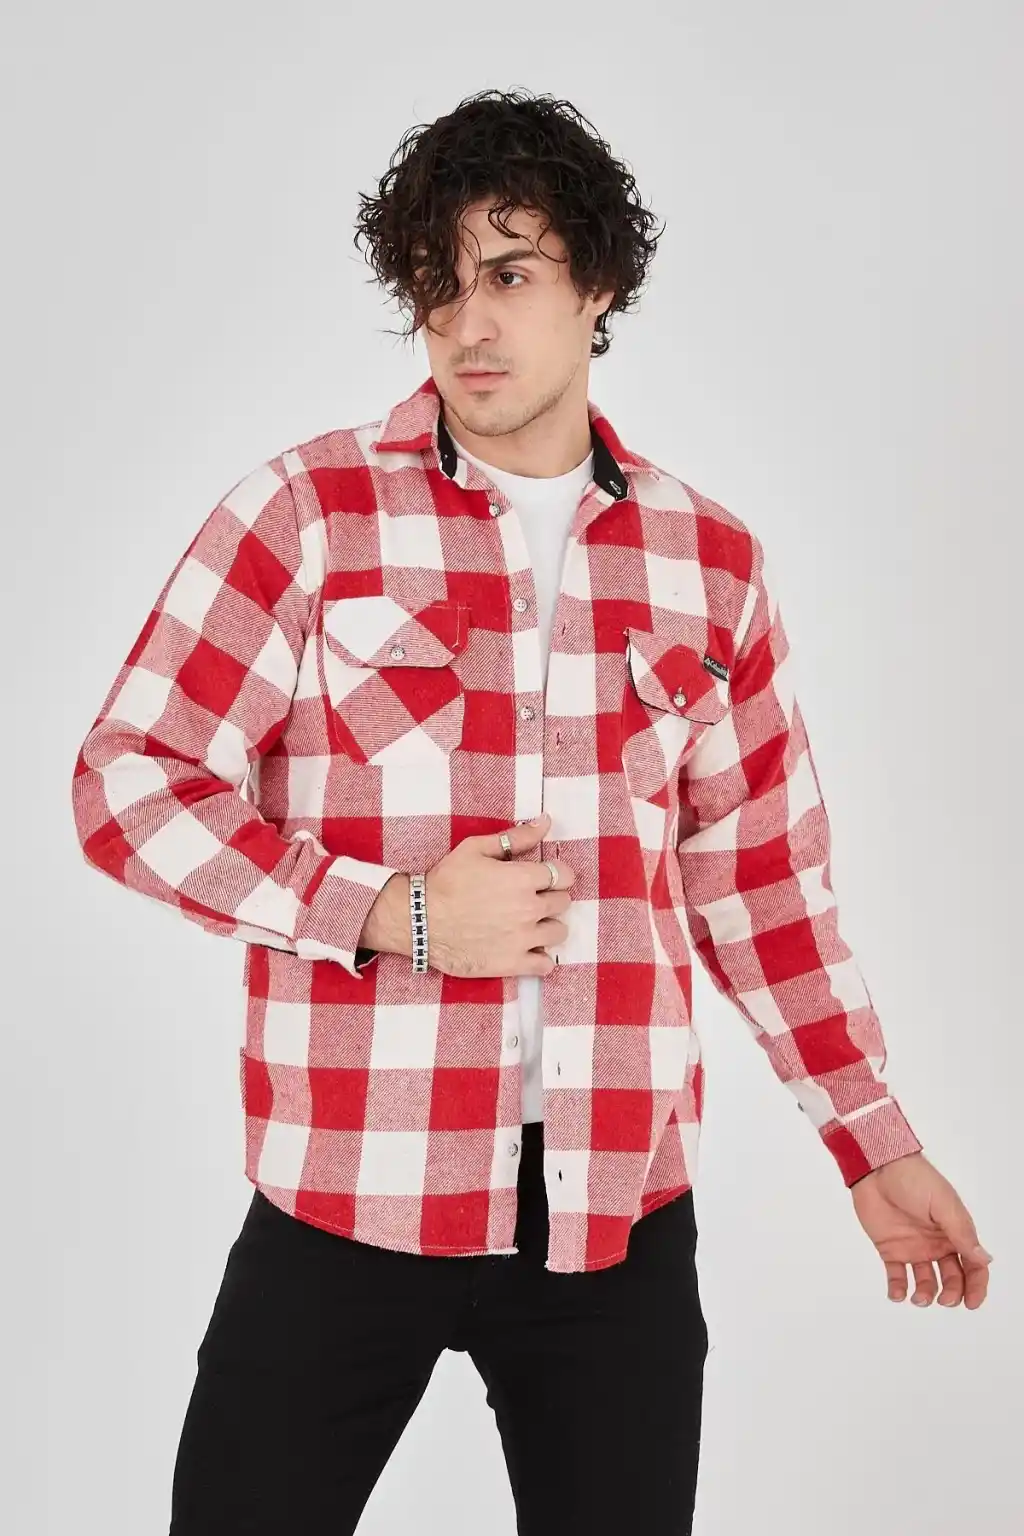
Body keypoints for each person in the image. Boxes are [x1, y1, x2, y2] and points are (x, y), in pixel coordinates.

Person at [70, 87, 991, 1535]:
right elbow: (128, 779)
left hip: (615, 1217)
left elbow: (761, 889)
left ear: (598, 284)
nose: (467, 325)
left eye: (509, 274)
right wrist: (394, 914)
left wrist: (872, 1140)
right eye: (436, 288)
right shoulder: (308, 515)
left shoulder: (710, 563)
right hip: (347, 1193)